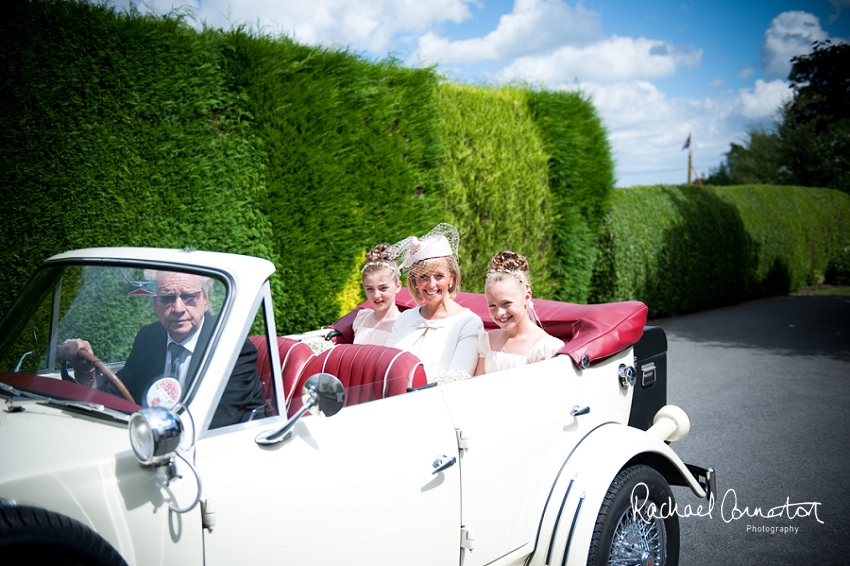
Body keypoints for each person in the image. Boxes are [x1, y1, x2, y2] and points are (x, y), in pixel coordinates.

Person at [58, 270, 263, 428]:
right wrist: (87, 372)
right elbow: (118, 395)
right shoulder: (149, 337)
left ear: (205, 300)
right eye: (167, 298)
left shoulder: (232, 346)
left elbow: (218, 421)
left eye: (189, 296)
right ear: (154, 303)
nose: (179, 308)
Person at [386, 223, 483, 381]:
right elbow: (386, 364)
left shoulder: (469, 323)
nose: (431, 285)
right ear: (415, 281)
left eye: (439, 276)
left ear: (451, 277)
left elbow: (457, 379)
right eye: (423, 277)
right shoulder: (405, 318)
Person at [475, 250, 564, 376]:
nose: (500, 312)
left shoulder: (545, 348)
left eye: (507, 303)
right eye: (492, 305)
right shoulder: (487, 341)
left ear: (527, 298)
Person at [353, 243, 402, 345]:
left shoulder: (402, 324)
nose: (376, 295)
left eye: (383, 288)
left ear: (398, 286)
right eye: (370, 289)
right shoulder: (362, 318)